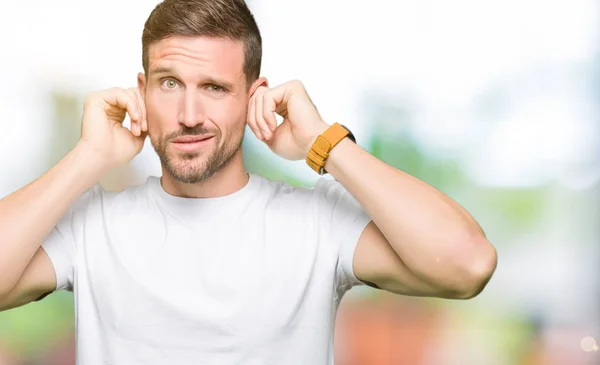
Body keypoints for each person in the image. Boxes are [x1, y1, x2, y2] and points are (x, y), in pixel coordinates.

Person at [0, 0, 497, 363]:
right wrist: (87, 158)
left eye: (214, 88)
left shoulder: (316, 223)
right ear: (141, 91)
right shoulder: (92, 225)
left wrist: (323, 143)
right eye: (169, 84)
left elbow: (467, 264)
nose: (189, 115)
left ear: (253, 96)